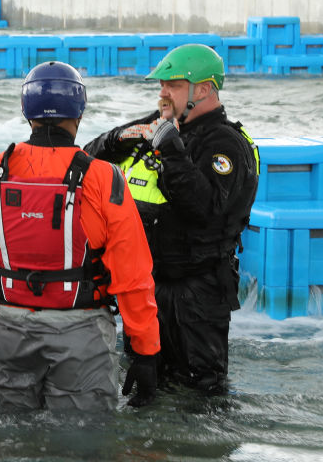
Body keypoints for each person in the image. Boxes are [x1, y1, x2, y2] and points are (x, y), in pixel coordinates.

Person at [0, 61, 161, 411]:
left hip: (9, 331)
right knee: (82, 441)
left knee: (16, 436)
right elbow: (133, 277)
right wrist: (146, 351)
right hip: (81, 333)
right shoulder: (103, 179)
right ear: (79, 112)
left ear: (26, 111)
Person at [83, 43, 259, 393]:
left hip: (198, 292)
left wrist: (172, 151)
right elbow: (88, 157)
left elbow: (205, 208)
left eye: (173, 85)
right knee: (144, 386)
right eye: (161, 85)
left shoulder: (225, 144)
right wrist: (118, 138)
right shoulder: (158, 124)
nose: (163, 93)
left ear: (204, 89)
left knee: (200, 394)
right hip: (149, 289)